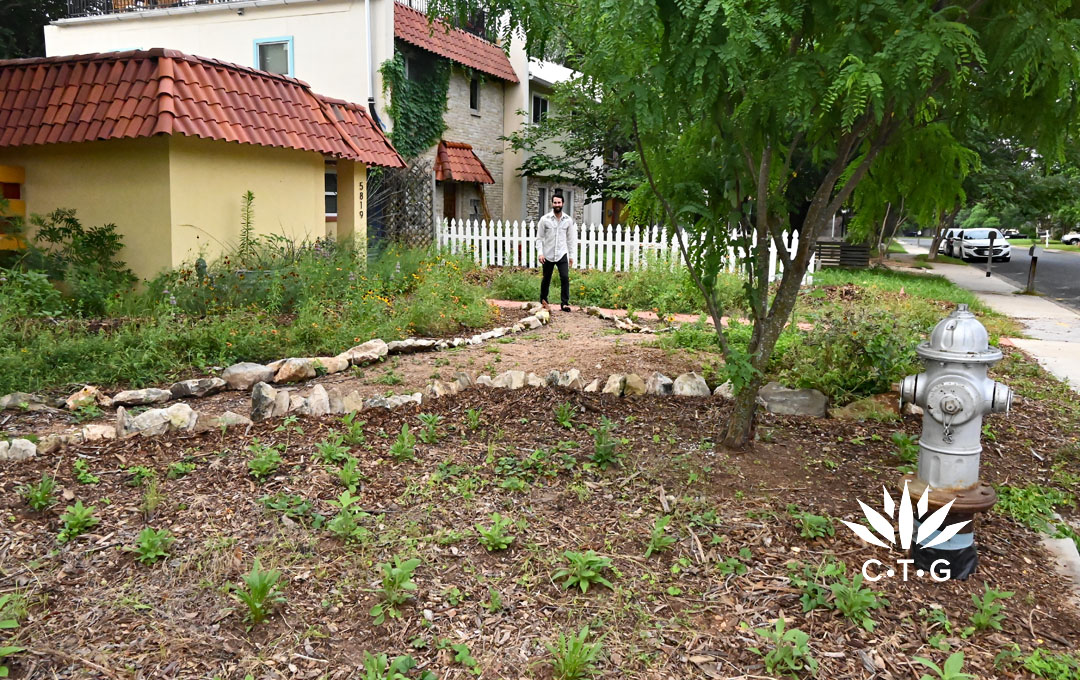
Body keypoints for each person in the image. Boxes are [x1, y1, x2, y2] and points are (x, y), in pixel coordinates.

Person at [536, 194, 576, 311]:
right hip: (547, 254)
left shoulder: (568, 220)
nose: (557, 205)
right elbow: (539, 238)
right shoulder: (545, 219)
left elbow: (570, 239)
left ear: (563, 204)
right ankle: (544, 301)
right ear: (552, 203)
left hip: (562, 253)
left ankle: (564, 303)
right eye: (555, 203)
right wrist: (540, 253)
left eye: (559, 203)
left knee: (564, 277)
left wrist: (571, 256)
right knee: (546, 278)